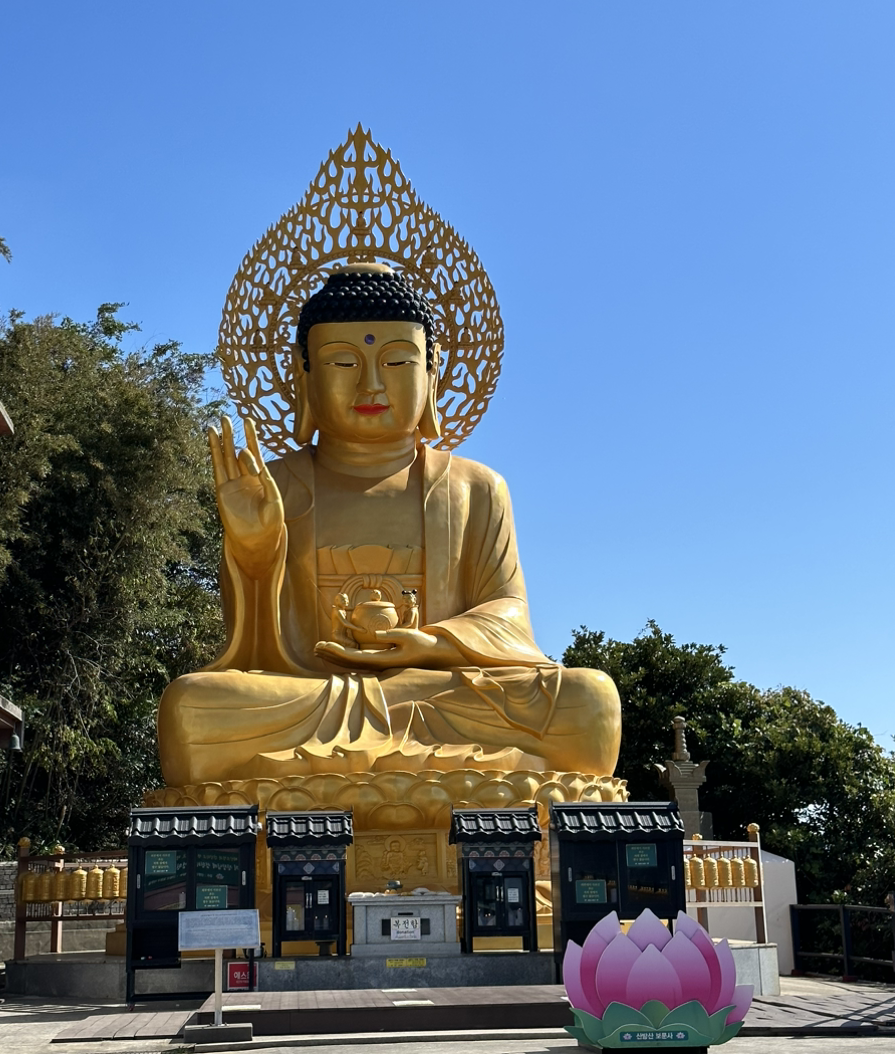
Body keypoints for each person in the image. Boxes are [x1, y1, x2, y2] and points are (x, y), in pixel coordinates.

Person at [157, 264, 621, 785]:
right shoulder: (273, 486)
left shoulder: (476, 487)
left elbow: (508, 614)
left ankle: (352, 755)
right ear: (303, 376)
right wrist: (255, 552)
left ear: (433, 373)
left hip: (436, 690)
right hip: (315, 695)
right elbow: (255, 655)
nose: (371, 384)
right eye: (342, 362)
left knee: (590, 700)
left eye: (398, 360)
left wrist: (433, 645)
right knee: (191, 706)